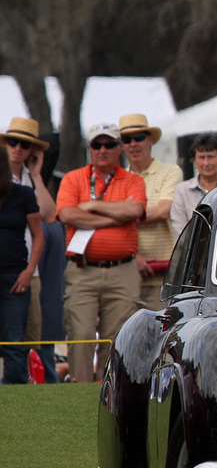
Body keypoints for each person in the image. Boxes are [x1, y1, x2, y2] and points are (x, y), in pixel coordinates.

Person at [56, 122, 147, 382]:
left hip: (122, 270)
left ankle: (111, 394)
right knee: (81, 333)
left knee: (117, 336)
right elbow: (66, 213)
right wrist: (113, 216)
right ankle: (80, 394)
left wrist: (92, 206)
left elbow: (135, 211)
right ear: (89, 148)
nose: (103, 150)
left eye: (109, 144)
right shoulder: (74, 178)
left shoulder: (133, 180)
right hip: (82, 270)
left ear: (119, 148)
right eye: (97, 144)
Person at [7, 117, 62, 381]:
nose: (17, 148)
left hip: (32, 270)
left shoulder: (30, 180)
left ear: (32, 151)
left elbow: (50, 216)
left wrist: (38, 175)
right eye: (12, 141)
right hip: (6, 265)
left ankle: (23, 384)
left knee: (31, 334)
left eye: (24, 144)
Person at [118, 114, 179, 307]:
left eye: (139, 138)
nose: (133, 144)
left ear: (150, 140)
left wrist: (122, 216)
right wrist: (132, 258)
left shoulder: (170, 171)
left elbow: (163, 210)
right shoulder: (116, 179)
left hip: (163, 276)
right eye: (127, 139)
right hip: (126, 275)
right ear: (121, 145)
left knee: (160, 334)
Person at [0, 163, 43, 384]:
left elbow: (38, 235)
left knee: (14, 342)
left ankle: (15, 393)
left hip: (15, 277)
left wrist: (28, 271)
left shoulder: (23, 194)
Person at [170, 133, 217, 239]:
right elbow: (180, 231)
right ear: (194, 160)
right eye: (201, 157)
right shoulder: (183, 190)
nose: (206, 163)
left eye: (211, 157)